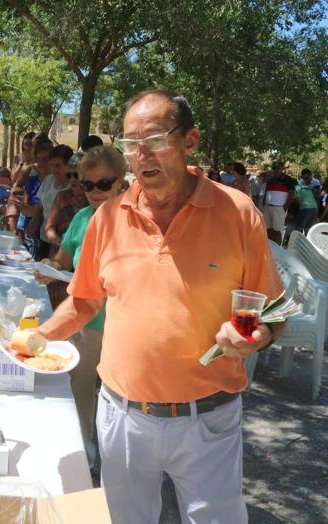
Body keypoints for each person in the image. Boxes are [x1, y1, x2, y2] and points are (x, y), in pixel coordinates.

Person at [35, 89, 284, 524]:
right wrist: (35, 339)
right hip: (122, 418)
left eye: (154, 139)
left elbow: (273, 312)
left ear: (190, 140)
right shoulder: (108, 218)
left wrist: (256, 337)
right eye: (131, 144)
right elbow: (85, 301)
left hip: (208, 419)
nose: (141, 155)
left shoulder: (238, 213)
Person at [35, 146, 125, 465]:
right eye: (87, 185)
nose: (95, 192)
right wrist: (49, 268)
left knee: (120, 399)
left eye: (104, 184)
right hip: (87, 325)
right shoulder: (82, 219)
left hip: (123, 328)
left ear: (121, 182)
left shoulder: (136, 221)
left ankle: (121, 460)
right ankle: (85, 453)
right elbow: (61, 260)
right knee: (81, 391)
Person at [35, 144, 75, 256]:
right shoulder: (48, 180)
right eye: (52, 165)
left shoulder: (75, 187)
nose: (54, 169)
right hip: (44, 237)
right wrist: (34, 222)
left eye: (58, 165)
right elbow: (40, 207)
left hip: (64, 243)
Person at [6, 132, 36, 233]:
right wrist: (22, 163)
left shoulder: (38, 160)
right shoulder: (18, 157)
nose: (27, 147)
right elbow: (13, 179)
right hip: (16, 194)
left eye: (30, 144)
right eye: (25, 144)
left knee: (23, 229)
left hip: (30, 194)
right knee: (13, 226)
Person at [263, 160, 297, 244]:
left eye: (278, 168)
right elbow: (266, 191)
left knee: (277, 231)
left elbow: (291, 194)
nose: (276, 170)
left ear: (282, 169)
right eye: (274, 168)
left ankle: (278, 248)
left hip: (279, 208)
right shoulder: (270, 179)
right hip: (268, 207)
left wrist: (285, 207)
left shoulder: (288, 179)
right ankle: (269, 248)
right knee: (268, 229)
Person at [294, 168, 320, 233]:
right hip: (313, 208)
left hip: (307, 208)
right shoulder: (301, 183)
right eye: (303, 178)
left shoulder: (316, 182)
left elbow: (317, 196)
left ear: (311, 175)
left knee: (299, 229)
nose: (305, 180)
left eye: (306, 178)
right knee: (308, 229)